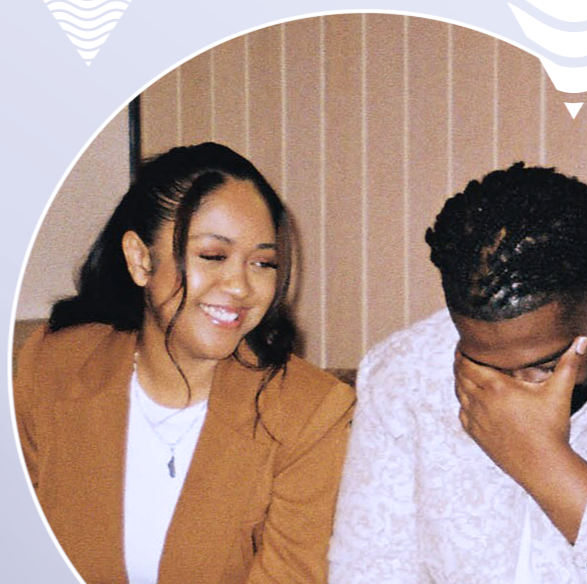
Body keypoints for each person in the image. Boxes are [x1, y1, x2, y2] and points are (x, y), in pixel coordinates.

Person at [329, 163, 587, 584]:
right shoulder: (405, 372)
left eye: (547, 365)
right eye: (484, 366)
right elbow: (369, 571)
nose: (515, 393)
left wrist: (545, 466)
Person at [14, 143, 355, 584]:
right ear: (140, 259)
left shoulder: (310, 413)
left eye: (262, 263)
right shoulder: (54, 365)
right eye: (213, 256)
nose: (240, 286)